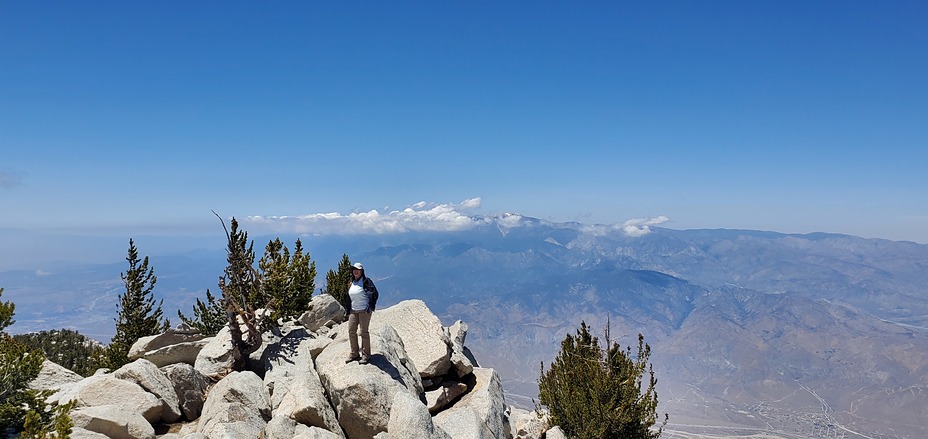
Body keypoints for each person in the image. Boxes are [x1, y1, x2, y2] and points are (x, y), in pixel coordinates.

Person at [345, 262, 379, 364]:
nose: (355, 272)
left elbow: (375, 294)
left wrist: (370, 306)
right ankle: (354, 353)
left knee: (363, 332)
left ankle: (366, 355)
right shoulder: (351, 282)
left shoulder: (366, 282)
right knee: (351, 331)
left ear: (361, 272)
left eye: (358, 270)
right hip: (354, 310)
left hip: (364, 310)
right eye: (354, 270)